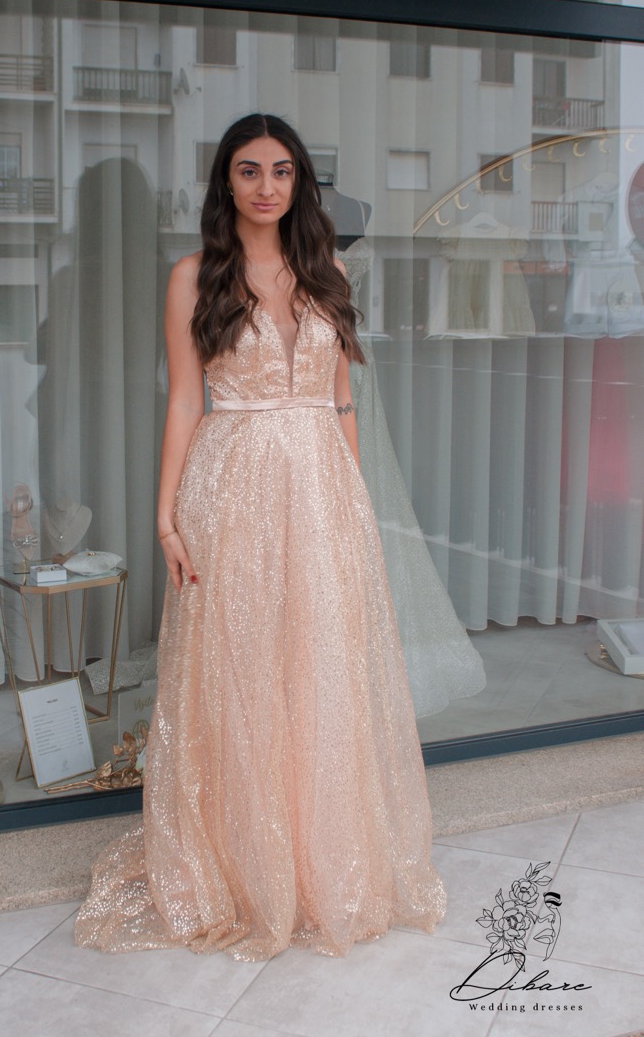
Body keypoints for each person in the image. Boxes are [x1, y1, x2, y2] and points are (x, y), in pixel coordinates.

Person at [73, 113, 446, 961]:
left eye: (282, 170)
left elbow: (342, 400)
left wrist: (354, 503)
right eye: (249, 170)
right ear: (227, 183)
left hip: (320, 486)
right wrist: (165, 515)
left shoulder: (329, 271)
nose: (267, 186)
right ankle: (244, 864)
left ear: (300, 182)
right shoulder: (194, 276)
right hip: (231, 484)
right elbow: (184, 400)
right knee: (239, 668)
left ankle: (319, 861)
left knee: (317, 666)